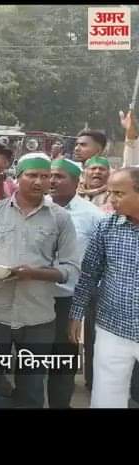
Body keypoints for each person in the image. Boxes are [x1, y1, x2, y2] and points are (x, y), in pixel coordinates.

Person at [0, 153, 81, 409]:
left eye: (44, 175)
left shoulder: (60, 218)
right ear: (18, 178)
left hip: (38, 316)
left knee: (31, 384)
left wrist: (36, 273)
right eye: (32, 175)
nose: (39, 181)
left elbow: (70, 268)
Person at [68, 168, 139, 408]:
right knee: (107, 395)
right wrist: (77, 313)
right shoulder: (106, 227)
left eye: (119, 193)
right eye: (110, 192)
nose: (112, 200)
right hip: (112, 327)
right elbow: (89, 273)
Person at [46, 157, 103, 408]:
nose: (52, 181)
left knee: (63, 360)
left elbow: (102, 259)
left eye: (60, 176)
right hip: (36, 296)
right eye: (51, 175)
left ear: (77, 181)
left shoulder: (93, 216)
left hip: (71, 300)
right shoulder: (38, 207)